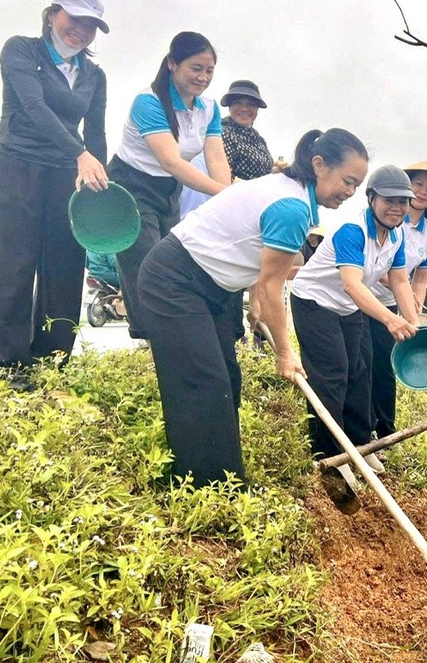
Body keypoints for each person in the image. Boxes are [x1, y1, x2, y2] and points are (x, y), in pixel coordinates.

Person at [136, 128, 368, 487]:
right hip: (174, 280)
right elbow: (273, 285)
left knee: (227, 377)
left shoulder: (291, 195)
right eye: (348, 181)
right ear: (320, 165)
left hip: (212, 287)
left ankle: (224, 477)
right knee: (203, 380)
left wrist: (255, 305)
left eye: (356, 185)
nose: (350, 192)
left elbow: (251, 253)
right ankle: (207, 488)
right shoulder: (291, 207)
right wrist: (286, 352)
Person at [0, 0, 110, 387]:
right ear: (52, 15)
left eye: (90, 25)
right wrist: (80, 153)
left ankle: (52, 362)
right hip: (16, 165)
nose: (80, 29)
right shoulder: (21, 50)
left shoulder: (94, 75)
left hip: (67, 177)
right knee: (9, 266)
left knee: (65, 267)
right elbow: (34, 107)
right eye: (74, 19)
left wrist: (99, 183)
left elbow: (96, 133)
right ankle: (2, 367)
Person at [290, 165, 421, 512]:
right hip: (315, 301)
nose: (396, 208)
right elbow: (351, 283)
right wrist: (390, 319)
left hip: (348, 307)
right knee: (332, 374)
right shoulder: (353, 230)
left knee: (361, 371)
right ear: (372, 198)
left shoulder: (396, 236)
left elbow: (400, 280)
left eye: (403, 201)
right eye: (389, 200)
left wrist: (412, 321)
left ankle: (360, 445)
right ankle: (330, 455)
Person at [108, 31, 231, 344]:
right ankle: (152, 338)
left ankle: (172, 334)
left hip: (168, 190)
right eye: (196, 68)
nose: (203, 77)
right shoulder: (148, 102)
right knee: (145, 261)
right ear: (172, 64)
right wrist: (224, 194)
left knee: (171, 258)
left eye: (209, 70)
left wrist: (228, 197)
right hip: (131, 185)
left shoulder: (209, 108)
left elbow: (216, 158)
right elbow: (171, 161)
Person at [364, 161, 427, 438]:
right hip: (366, 298)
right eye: (418, 184)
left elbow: (420, 277)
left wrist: (415, 308)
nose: (423, 191)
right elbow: (378, 269)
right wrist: (405, 294)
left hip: (394, 304)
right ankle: (362, 425)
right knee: (363, 363)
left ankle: (384, 429)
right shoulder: (391, 219)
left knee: (385, 365)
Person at [177, 79, 273, 219]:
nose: (244, 109)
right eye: (238, 103)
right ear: (229, 106)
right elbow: (218, 168)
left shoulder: (258, 140)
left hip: (257, 205)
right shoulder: (219, 133)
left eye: (250, 104)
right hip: (230, 204)